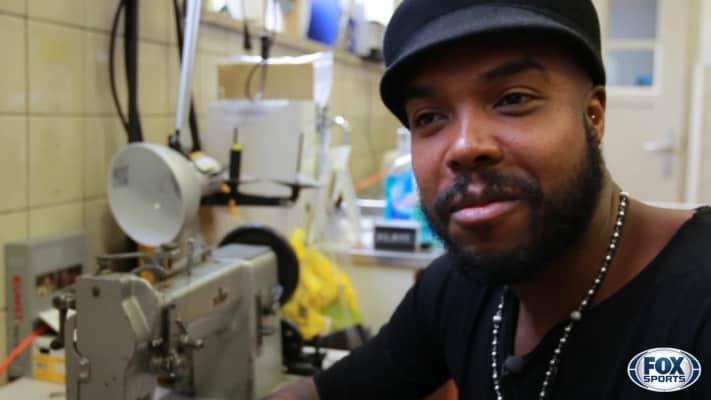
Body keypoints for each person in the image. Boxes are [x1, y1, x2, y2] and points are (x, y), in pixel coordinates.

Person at [266, 0, 711, 398]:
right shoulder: (455, 289)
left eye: (513, 99)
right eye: (430, 118)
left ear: (592, 116)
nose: (464, 146)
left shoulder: (696, 301)